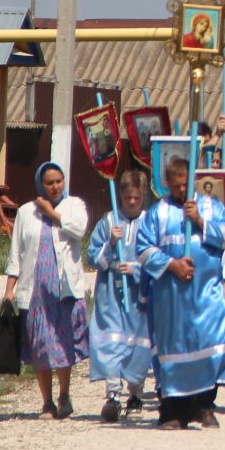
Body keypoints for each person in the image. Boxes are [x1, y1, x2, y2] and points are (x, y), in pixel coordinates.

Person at [134, 153, 225, 429]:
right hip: (172, 300)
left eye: (185, 185)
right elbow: (142, 250)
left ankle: (203, 407)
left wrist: (201, 222)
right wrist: (172, 265)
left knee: (208, 346)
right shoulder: (157, 213)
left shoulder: (211, 207)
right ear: (167, 183)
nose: (181, 190)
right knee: (173, 350)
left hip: (205, 297)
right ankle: (173, 410)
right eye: (176, 185)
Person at [3, 161, 90, 419]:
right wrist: (9, 289)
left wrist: (53, 214)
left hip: (63, 289)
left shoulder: (75, 206)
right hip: (35, 291)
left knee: (63, 344)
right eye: (49, 182)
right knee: (40, 347)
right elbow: (16, 253)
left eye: (58, 181)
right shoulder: (26, 212)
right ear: (40, 183)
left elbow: (79, 230)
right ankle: (47, 402)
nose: (54, 186)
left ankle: (64, 395)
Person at [85, 167, 153, 423]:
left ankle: (135, 393)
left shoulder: (150, 221)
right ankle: (112, 395)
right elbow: (93, 257)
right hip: (111, 291)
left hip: (140, 293)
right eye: (127, 198)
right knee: (111, 342)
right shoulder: (108, 221)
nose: (132, 202)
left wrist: (137, 268)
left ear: (143, 195)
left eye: (136, 198)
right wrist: (111, 244)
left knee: (138, 343)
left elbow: (157, 256)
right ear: (121, 196)